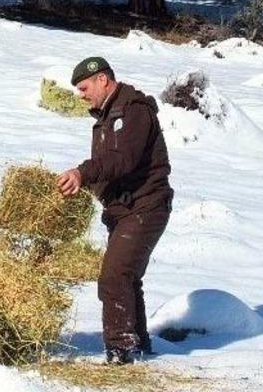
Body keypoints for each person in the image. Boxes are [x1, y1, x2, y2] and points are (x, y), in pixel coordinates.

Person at [57, 56, 173, 365]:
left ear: (102, 80)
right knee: (127, 277)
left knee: (114, 276)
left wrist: (83, 173)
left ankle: (121, 353)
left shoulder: (132, 111)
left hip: (145, 206)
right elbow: (113, 165)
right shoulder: (108, 115)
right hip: (124, 209)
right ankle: (140, 345)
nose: (81, 95)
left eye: (83, 88)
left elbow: (123, 160)